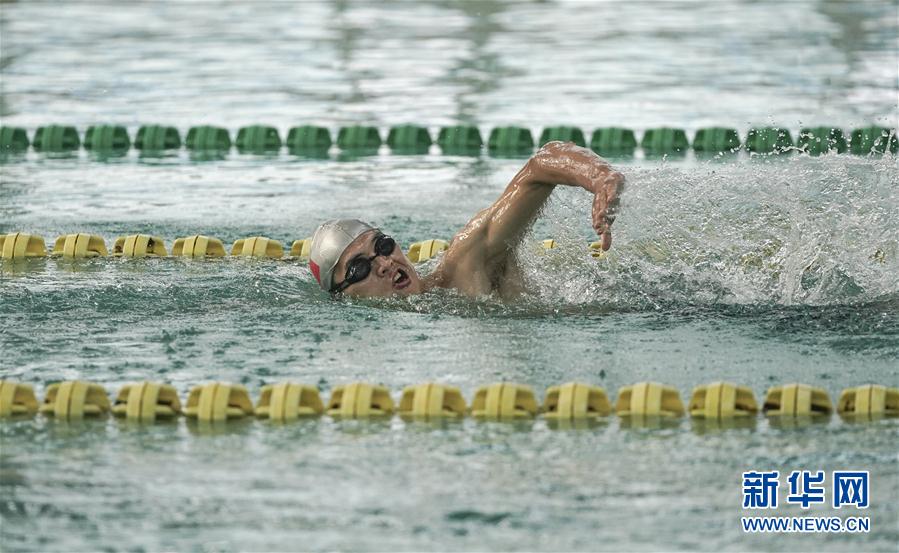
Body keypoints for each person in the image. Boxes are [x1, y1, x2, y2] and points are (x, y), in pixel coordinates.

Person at [308, 140, 624, 299]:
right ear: (343, 295)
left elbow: (541, 164)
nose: (386, 264)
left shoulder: (462, 268)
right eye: (360, 267)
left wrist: (598, 177)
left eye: (383, 245)